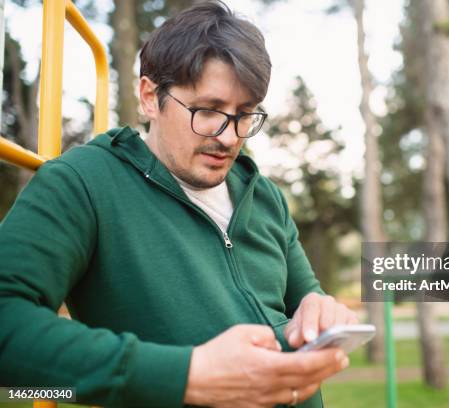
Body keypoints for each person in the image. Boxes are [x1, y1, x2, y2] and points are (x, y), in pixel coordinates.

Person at [0, 1, 359, 407]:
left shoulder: (265, 196)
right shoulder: (83, 183)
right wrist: (187, 375)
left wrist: (320, 309)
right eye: (209, 110)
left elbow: (306, 297)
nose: (228, 136)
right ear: (150, 97)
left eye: (244, 114)